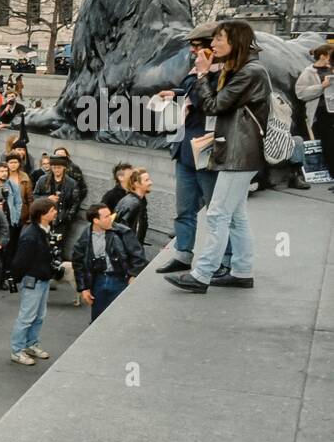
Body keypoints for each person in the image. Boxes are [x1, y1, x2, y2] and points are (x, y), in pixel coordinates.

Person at [166, 20, 263, 293]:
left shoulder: (249, 72)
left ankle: (201, 274)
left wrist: (202, 75)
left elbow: (213, 105)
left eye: (219, 40)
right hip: (239, 150)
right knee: (236, 216)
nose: (214, 45)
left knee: (218, 214)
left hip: (238, 153)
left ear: (236, 43)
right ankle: (242, 270)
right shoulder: (245, 69)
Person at [72, 203, 148, 321]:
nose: (111, 219)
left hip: (120, 279)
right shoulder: (86, 236)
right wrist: (83, 288)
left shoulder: (122, 232)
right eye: (106, 217)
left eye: (110, 215)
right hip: (98, 281)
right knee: (97, 319)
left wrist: (134, 274)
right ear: (96, 220)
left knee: (119, 317)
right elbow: (78, 262)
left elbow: (138, 255)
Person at [9, 198, 59, 366]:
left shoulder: (45, 229)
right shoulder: (31, 235)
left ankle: (31, 344)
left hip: (43, 279)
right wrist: (19, 278)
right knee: (26, 317)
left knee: (39, 316)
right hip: (34, 280)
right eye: (52, 210)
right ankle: (17, 350)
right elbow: (19, 262)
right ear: (43, 214)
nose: (55, 212)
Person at [295, 43, 334, 194]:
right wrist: (321, 87)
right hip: (322, 114)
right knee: (329, 145)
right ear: (323, 56)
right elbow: (301, 93)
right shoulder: (309, 72)